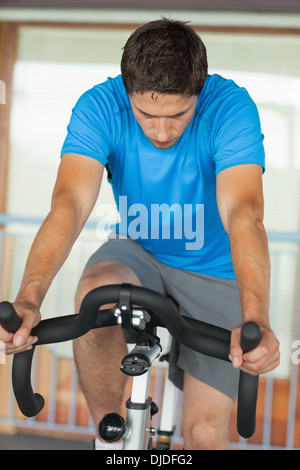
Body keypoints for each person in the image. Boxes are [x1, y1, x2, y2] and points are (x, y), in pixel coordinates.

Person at [0, 19, 280, 450]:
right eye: (146, 115)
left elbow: (244, 212)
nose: (162, 132)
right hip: (138, 252)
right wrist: (29, 298)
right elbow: (70, 205)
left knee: (205, 437)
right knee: (96, 293)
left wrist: (257, 315)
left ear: (199, 91)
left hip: (216, 270)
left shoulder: (230, 108)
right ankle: (111, 442)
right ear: (127, 91)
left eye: (178, 115)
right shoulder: (99, 106)